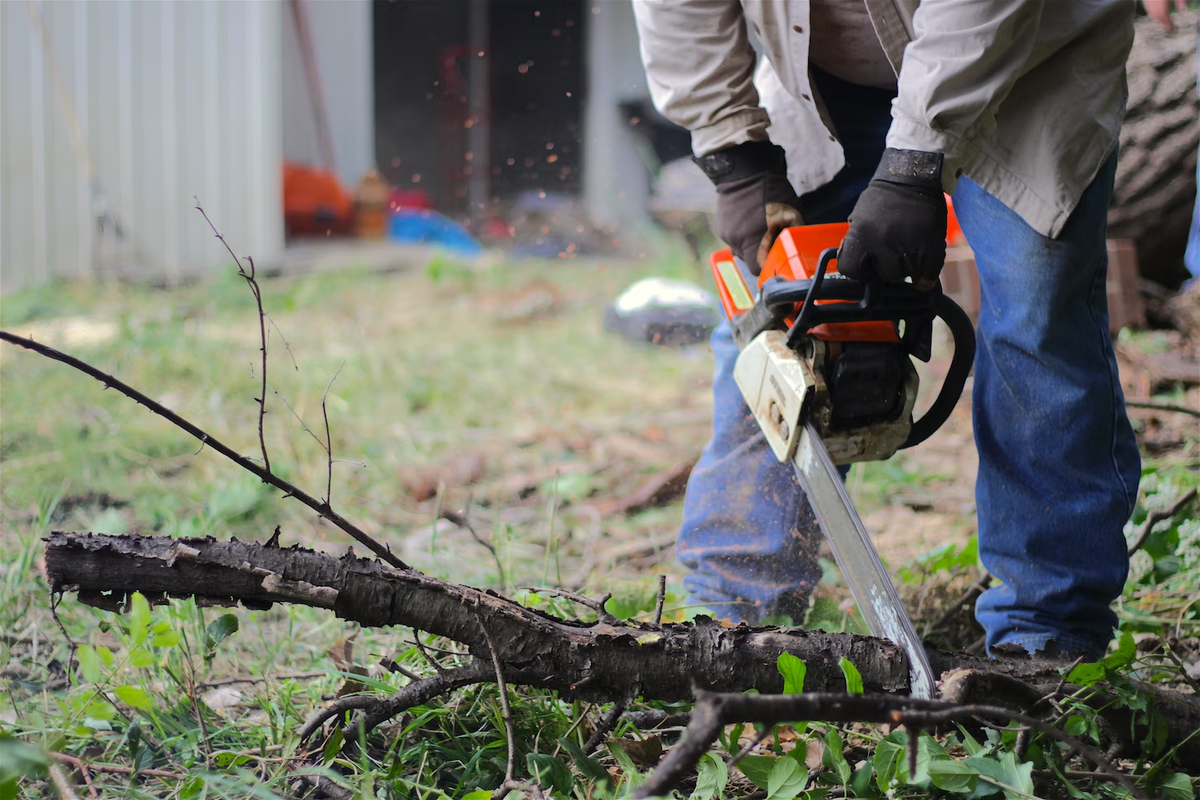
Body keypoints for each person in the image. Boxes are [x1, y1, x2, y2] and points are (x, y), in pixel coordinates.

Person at [632, 1, 1142, 660]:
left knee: (1037, 317)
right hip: (821, 73)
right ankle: (733, 613)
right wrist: (735, 154)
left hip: (1026, 58)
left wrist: (915, 165)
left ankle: (1047, 632)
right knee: (776, 318)